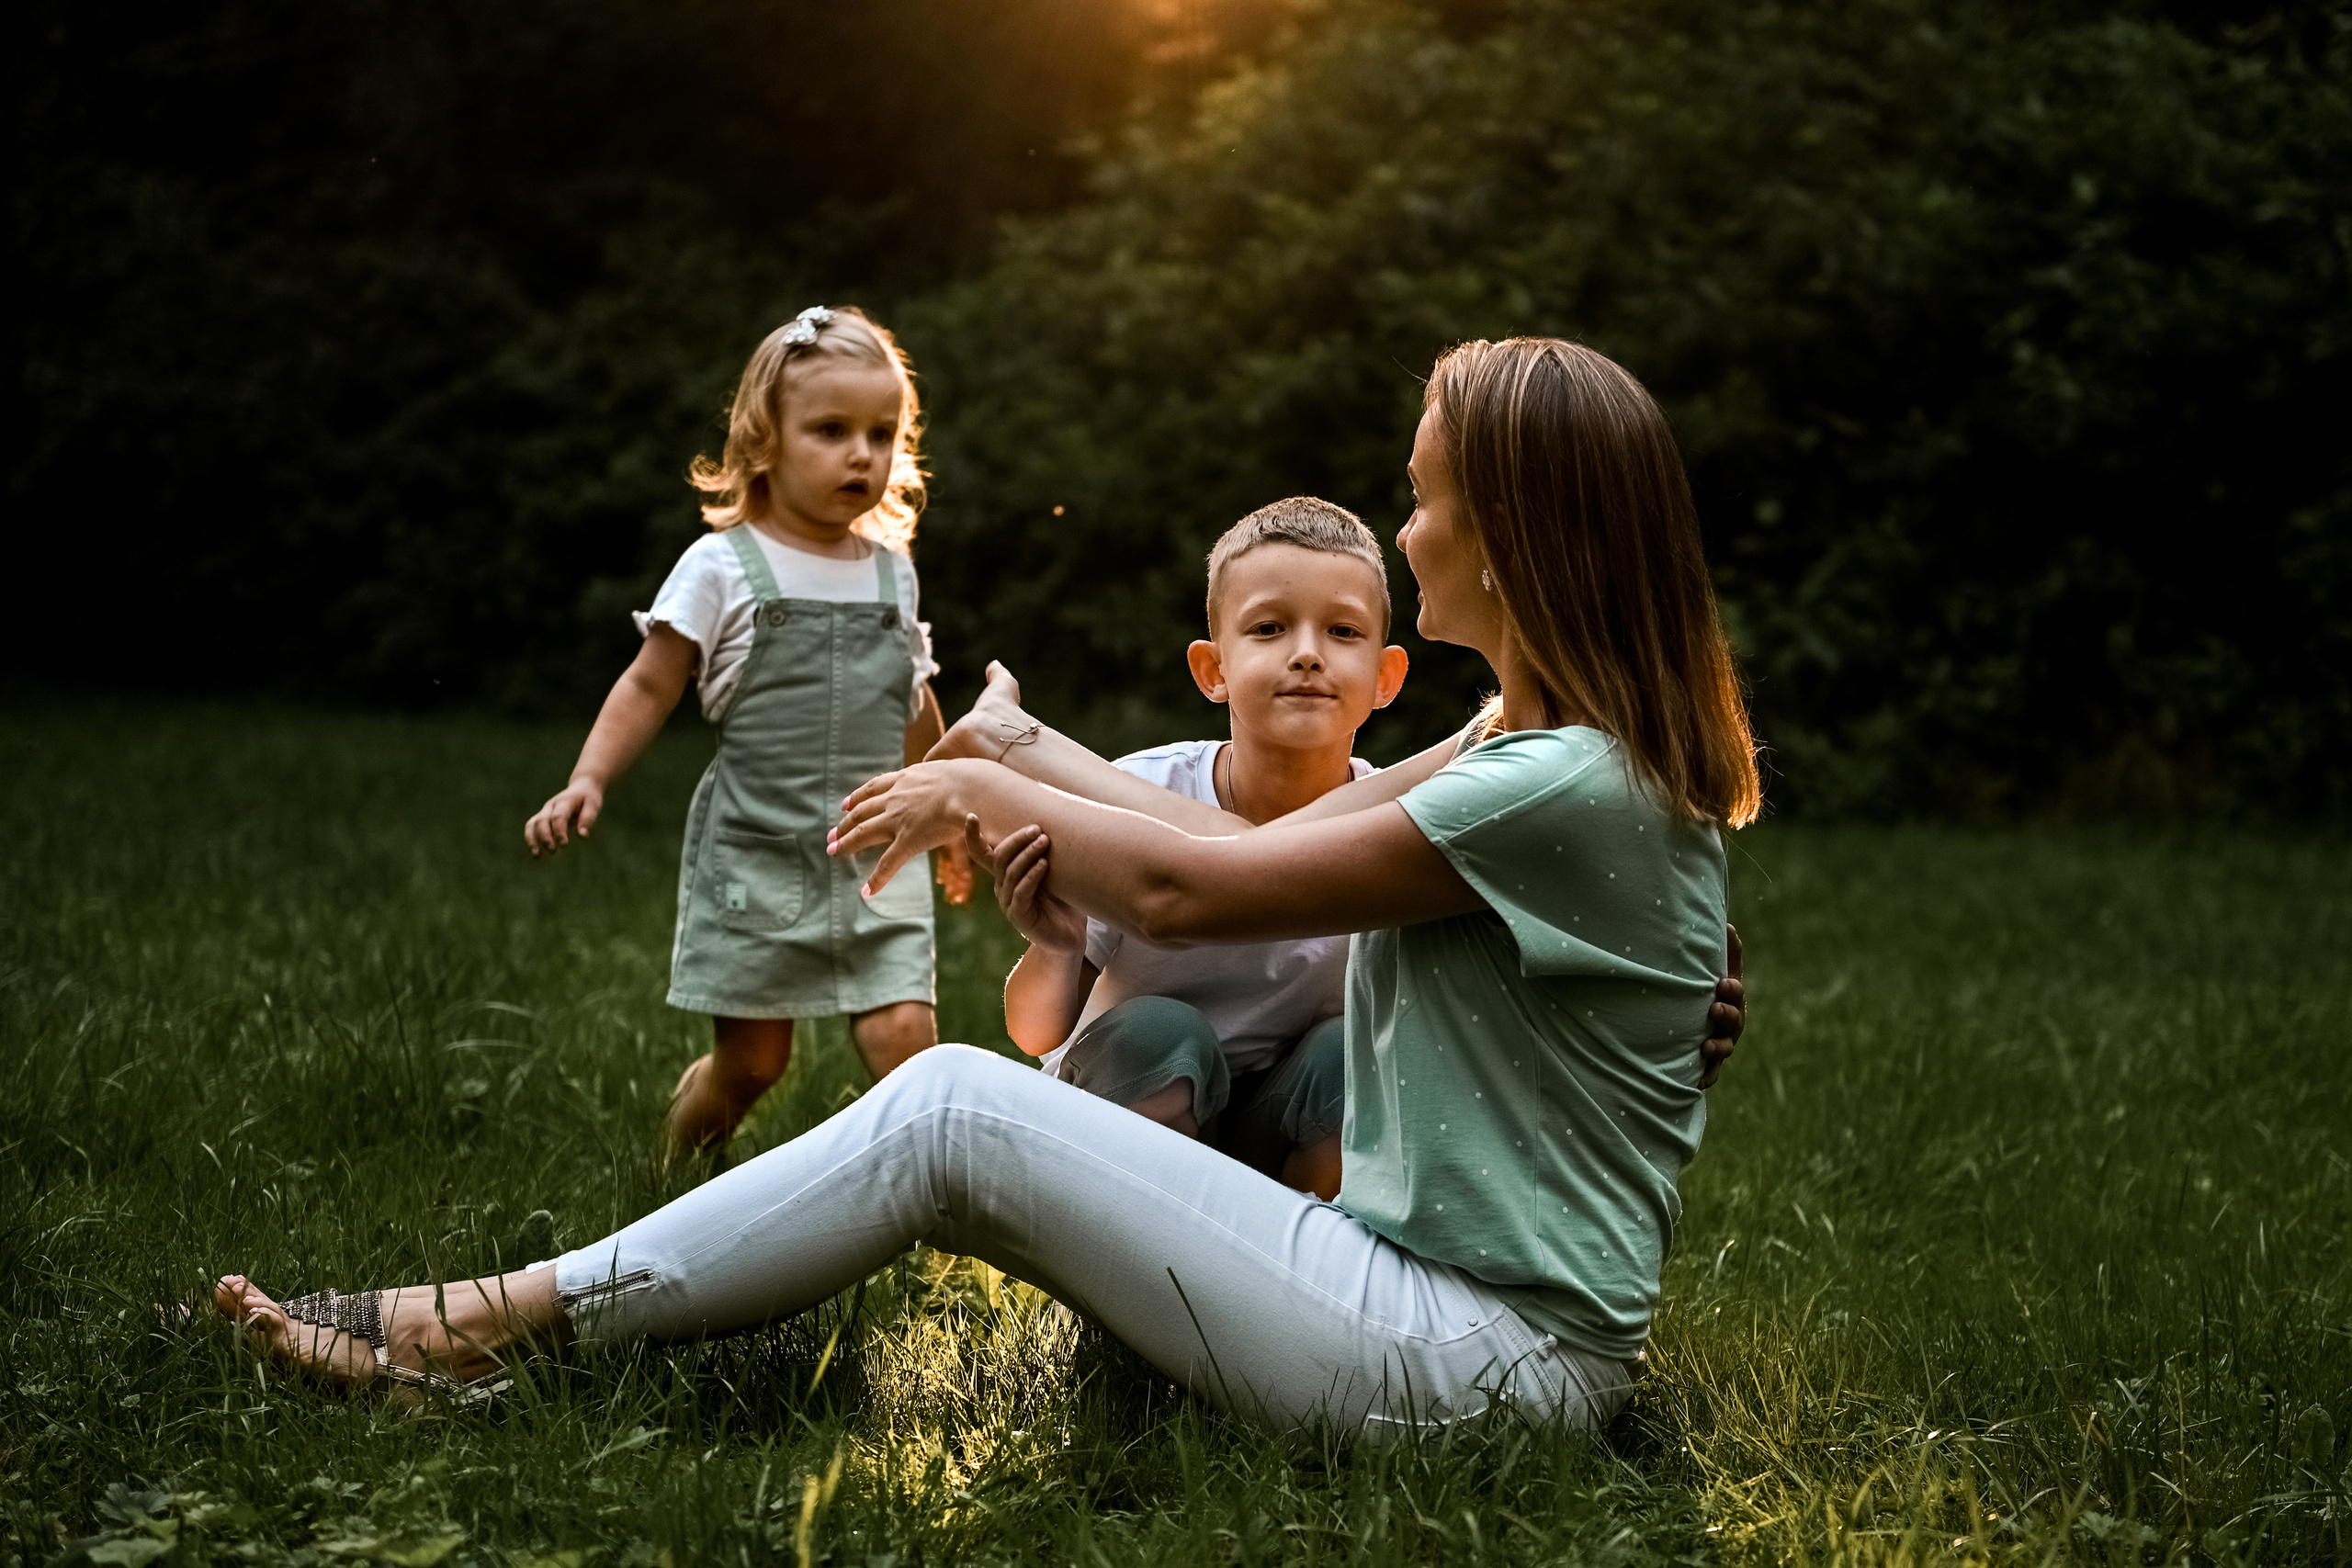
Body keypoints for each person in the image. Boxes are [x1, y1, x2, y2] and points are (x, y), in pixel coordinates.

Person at [218, 335, 1760, 1438]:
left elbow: (1192, 896)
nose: (1408, 523)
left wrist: (976, 780)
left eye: (1428, 498)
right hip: (1440, 1310)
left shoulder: (1562, 779)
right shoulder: (1533, 745)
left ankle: (483, 1328)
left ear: (1521, 531)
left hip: (1484, 1353)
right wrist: (1024, 754)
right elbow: (1233, 860)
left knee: (958, 1105)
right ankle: (491, 1320)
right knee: (955, 1127)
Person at [521, 305, 968, 1154]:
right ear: (764, 439)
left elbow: (913, 700)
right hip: (759, 852)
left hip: (875, 851)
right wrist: (589, 777)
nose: (861, 455)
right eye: (831, 430)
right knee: (753, 1063)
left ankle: (936, 1210)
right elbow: (649, 683)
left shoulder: (890, 574)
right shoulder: (722, 566)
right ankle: (674, 1169)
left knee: (906, 1041)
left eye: (882, 433)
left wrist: (946, 811)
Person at [991, 497, 1408, 1200]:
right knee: (1162, 1032)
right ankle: (1137, 1281)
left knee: (1356, 1053)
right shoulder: (1135, 792)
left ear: (1385, 677)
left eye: (1342, 630)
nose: (1307, 652)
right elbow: (1034, 1033)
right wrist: (1055, 946)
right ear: (1212, 668)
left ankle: (1296, 1281)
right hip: (1121, 1114)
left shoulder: (1389, 831)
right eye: (1270, 628)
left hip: (1268, 1135)